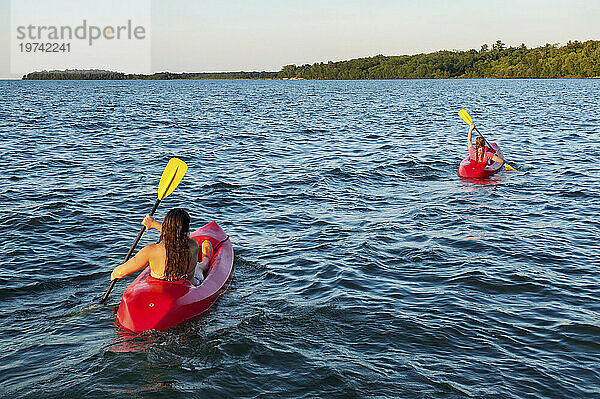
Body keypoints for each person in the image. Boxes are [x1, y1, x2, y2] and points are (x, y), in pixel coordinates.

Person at [110, 208, 213, 286]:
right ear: (187, 228)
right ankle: (206, 258)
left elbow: (120, 273)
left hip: (160, 288)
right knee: (200, 267)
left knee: (199, 267)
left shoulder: (151, 251)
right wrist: (154, 224)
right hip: (188, 284)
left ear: (166, 226)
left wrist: (114, 273)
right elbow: (178, 236)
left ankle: (206, 260)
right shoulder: (192, 245)